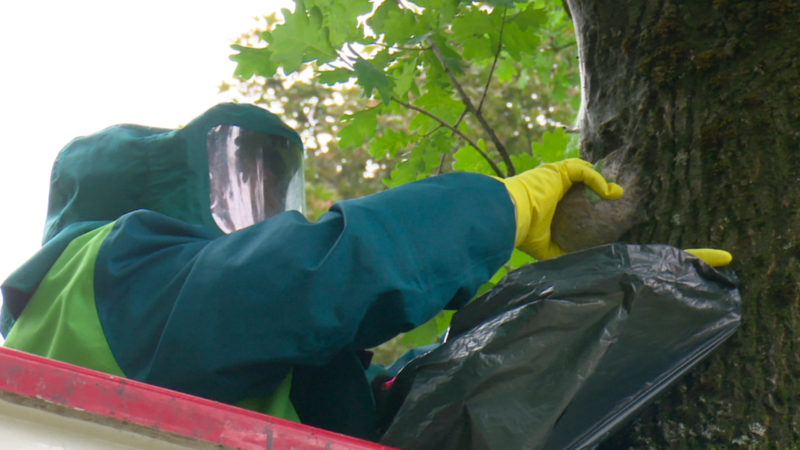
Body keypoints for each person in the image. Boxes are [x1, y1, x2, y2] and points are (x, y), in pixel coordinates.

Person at [0, 103, 731, 440]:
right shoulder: (103, 275)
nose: (260, 204)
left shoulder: (230, 353)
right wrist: (498, 209)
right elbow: (308, 275)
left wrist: (619, 299)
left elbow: (419, 407)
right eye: (236, 177)